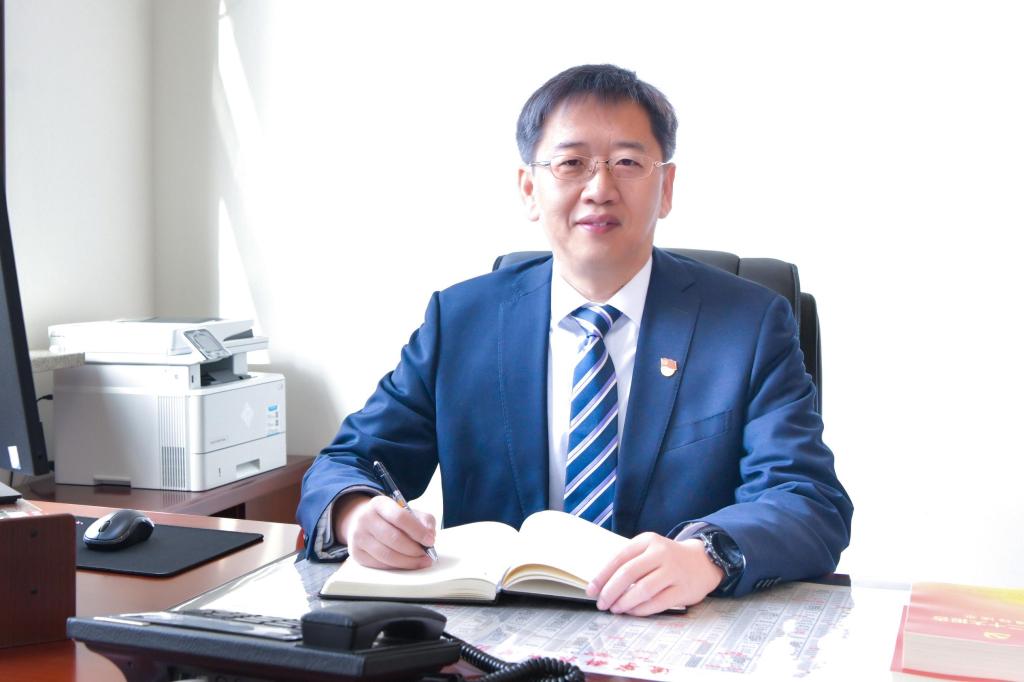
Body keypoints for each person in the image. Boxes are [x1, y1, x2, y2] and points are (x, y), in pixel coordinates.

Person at [297, 64, 852, 617]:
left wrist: (706, 555)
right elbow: (350, 461)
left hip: (676, 628)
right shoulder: (461, 320)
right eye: (571, 163)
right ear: (529, 188)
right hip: (497, 636)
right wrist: (355, 512)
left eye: (628, 163)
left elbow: (808, 498)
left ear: (666, 188)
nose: (600, 189)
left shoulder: (749, 324)